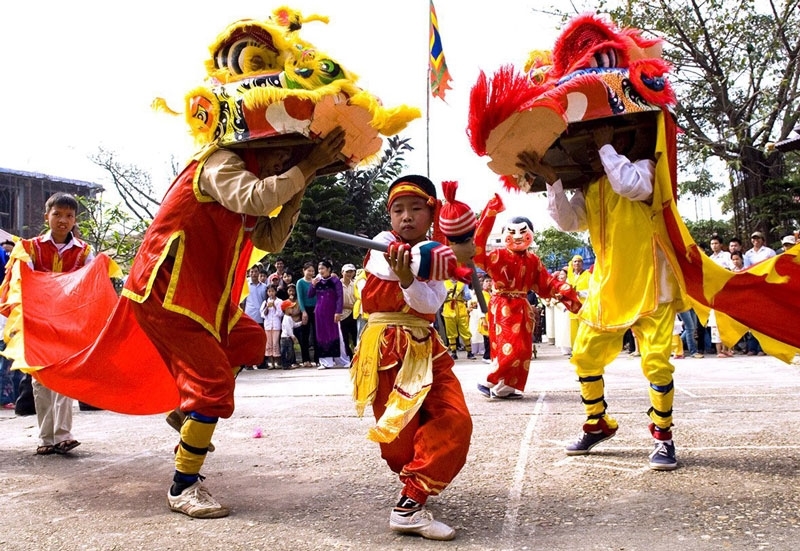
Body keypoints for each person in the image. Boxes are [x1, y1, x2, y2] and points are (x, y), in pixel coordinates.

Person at [525, 121, 685, 470]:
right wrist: (552, 179)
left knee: (656, 362)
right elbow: (568, 222)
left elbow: (628, 185)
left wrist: (604, 146)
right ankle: (596, 423)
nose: (598, 146)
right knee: (584, 356)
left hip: (652, 287)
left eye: (610, 136)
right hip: (608, 289)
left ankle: (663, 437)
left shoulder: (646, 170)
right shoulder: (593, 187)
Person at [351, 174, 472, 541]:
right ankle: (413, 479)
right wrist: (407, 269)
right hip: (386, 350)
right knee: (399, 448)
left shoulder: (435, 257)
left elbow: (430, 303)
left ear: (431, 214)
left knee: (456, 419)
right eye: (398, 210)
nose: (406, 217)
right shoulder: (381, 245)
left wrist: (410, 279)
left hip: (425, 348)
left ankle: (410, 504)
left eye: (416, 209)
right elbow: (383, 266)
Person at [4, 193, 93, 454]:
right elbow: (24, 283)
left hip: (68, 322)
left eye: (69, 216)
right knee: (40, 380)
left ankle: (63, 435)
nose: (63, 220)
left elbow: (88, 284)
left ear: (75, 219)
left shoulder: (85, 252)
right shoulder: (29, 248)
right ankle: (46, 439)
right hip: (38, 322)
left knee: (65, 376)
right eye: (57, 214)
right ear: (47, 216)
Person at [472, 197, 581, 400]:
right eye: (512, 232)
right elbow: (476, 250)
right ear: (505, 235)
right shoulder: (498, 256)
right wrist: (490, 214)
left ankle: (504, 388)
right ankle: (490, 380)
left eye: (523, 232)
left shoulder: (533, 260)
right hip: (502, 305)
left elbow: (545, 283)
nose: (517, 236)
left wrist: (564, 291)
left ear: (531, 235)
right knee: (512, 347)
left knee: (523, 350)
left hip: (522, 306)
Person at [309, 259, 344, 369]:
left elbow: (339, 297)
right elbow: (310, 295)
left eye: (322, 268)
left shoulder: (335, 281)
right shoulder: (317, 281)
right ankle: (325, 361)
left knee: (335, 334)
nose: (320, 270)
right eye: (319, 269)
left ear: (329, 269)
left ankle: (341, 360)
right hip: (319, 312)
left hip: (332, 312)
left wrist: (338, 311)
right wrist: (313, 285)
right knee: (321, 335)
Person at [241, 264, 267, 368]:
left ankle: (261, 362)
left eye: (256, 271)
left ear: (259, 272)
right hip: (249, 317)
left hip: (261, 317)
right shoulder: (245, 285)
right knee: (249, 341)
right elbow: (243, 302)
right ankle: (248, 363)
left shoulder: (264, 287)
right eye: (252, 272)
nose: (254, 274)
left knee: (261, 341)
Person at [442, 277, 473, 360]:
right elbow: (439, 298)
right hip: (448, 308)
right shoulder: (443, 283)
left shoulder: (463, 283)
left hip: (461, 308)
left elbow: (468, 296)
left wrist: (462, 294)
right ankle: (453, 352)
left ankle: (469, 352)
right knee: (451, 332)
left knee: (465, 330)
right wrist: (446, 293)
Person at [296, 261, 319, 367]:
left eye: (312, 271)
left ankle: (318, 358)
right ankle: (305, 359)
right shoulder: (300, 282)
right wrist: (303, 311)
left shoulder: (316, 282)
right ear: (304, 271)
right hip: (305, 310)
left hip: (316, 309)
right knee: (305, 335)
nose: (311, 273)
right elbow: (300, 298)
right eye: (309, 270)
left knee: (316, 334)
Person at [260, 285, 283, 369]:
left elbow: (280, 314)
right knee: (268, 343)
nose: (271, 293)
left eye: (272, 291)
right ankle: (270, 362)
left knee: (275, 343)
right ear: (267, 293)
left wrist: (274, 306)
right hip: (268, 326)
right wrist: (267, 307)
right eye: (269, 291)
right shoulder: (265, 302)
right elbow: (263, 314)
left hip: (276, 325)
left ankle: (277, 361)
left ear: (275, 292)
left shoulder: (279, 301)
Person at [338, 263, 358, 361]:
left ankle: (356, 357)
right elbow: (336, 301)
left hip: (354, 314)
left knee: (356, 337)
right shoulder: (337, 285)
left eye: (351, 271)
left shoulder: (355, 284)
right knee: (344, 338)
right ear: (342, 272)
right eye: (347, 272)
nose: (349, 274)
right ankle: (348, 358)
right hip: (342, 315)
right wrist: (350, 306)